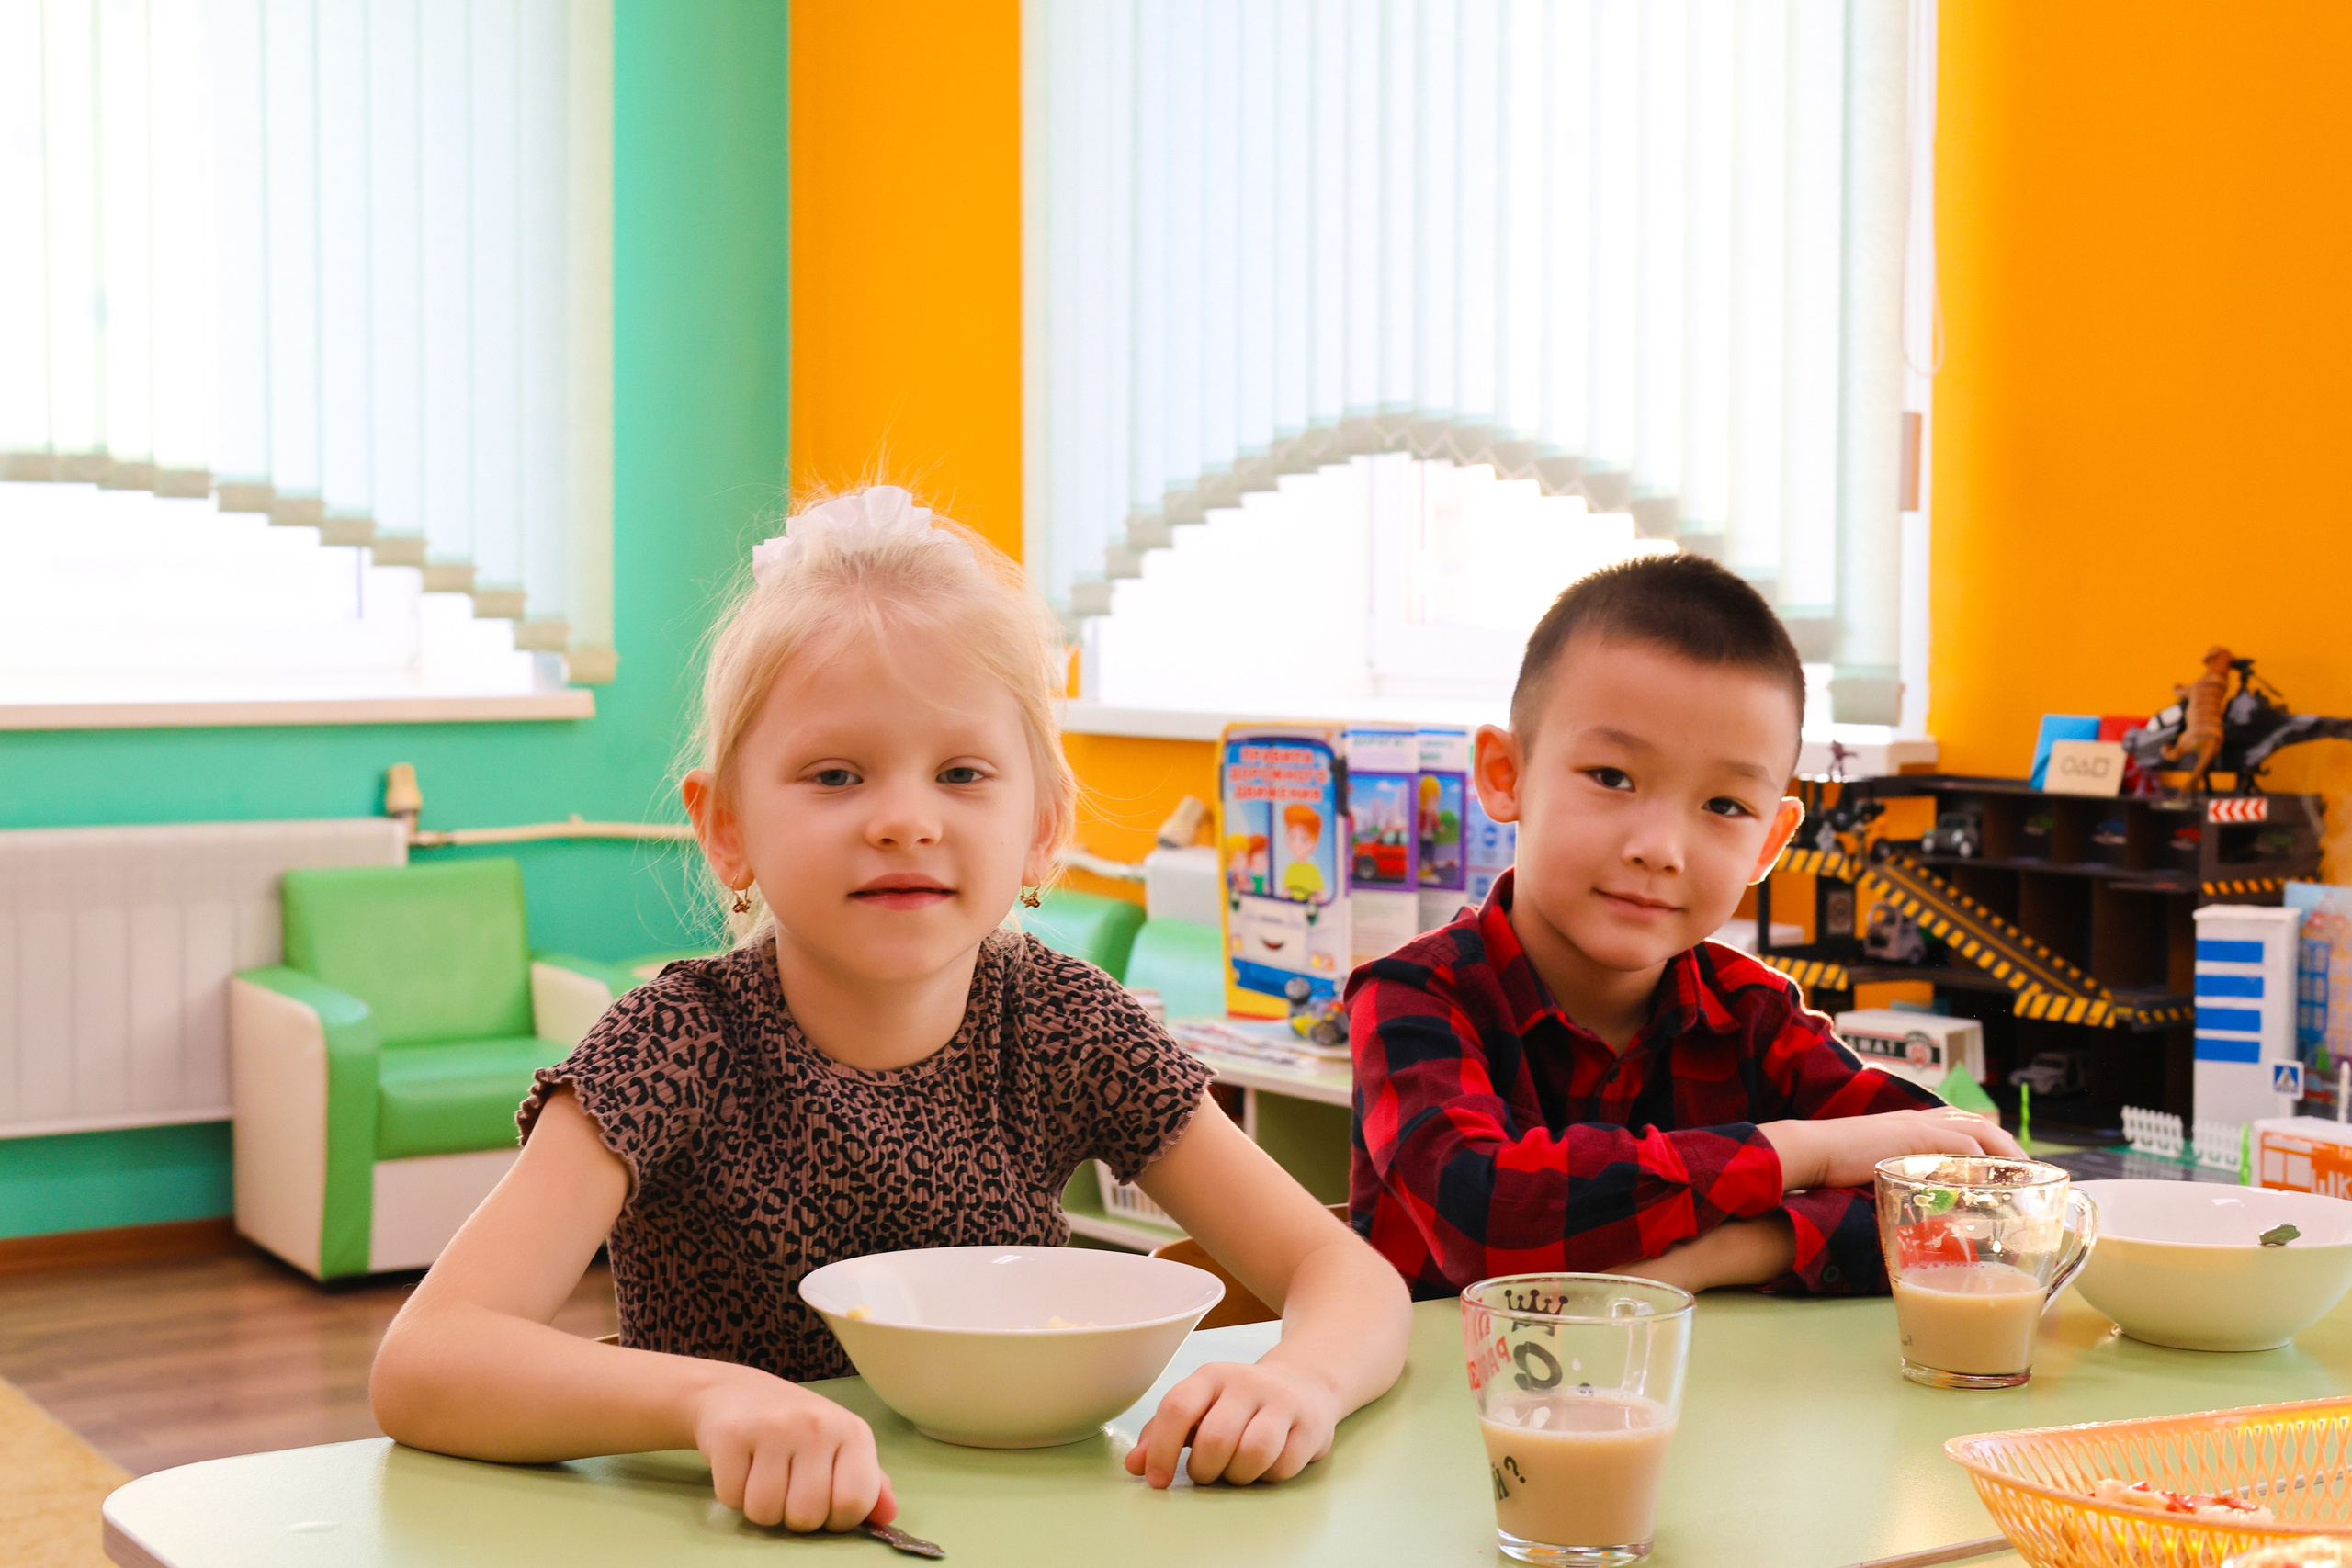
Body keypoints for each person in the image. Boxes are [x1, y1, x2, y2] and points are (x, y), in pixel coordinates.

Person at [371, 485, 1409, 1536]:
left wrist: (1302, 1384)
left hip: (1014, 1533)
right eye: (835, 775)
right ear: (726, 827)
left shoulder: (1064, 1024)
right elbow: (427, 1360)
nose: (905, 821)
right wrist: (712, 1399)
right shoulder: (673, 1042)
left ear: (1042, 828)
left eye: (961, 773)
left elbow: (1343, 1275)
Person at [1348, 552, 2025, 1300]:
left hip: (1690, 1409)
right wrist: (1802, 1151)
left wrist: (1730, 1251)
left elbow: (1984, 1204)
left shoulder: (1755, 1015)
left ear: (1770, 840)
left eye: (1725, 806)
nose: (1660, 850)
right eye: (1613, 778)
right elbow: (1487, 1217)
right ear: (1507, 775)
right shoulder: (1414, 995)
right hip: (1449, 1407)